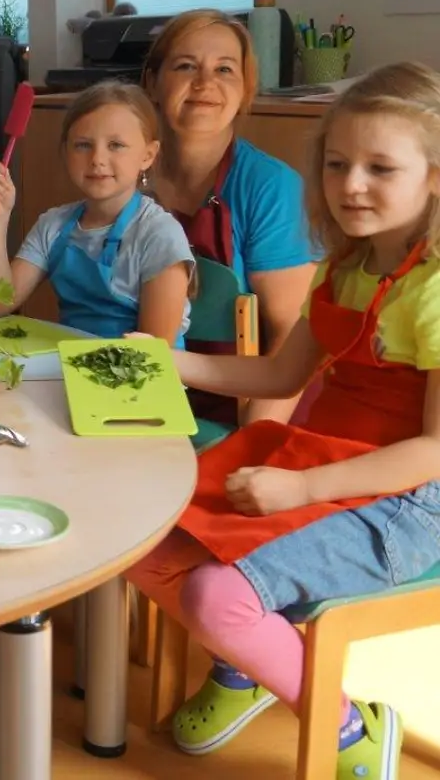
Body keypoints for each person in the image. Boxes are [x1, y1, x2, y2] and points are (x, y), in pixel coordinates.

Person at [125, 62, 440, 778]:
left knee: (213, 595)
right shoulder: (346, 268)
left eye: (380, 167)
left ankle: (346, 726)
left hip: (407, 503)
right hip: (315, 461)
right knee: (136, 541)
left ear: (435, 176)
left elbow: (434, 452)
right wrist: (171, 359)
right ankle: (249, 666)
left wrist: (300, 490)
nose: (351, 184)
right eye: (337, 164)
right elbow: (276, 375)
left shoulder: (436, 292)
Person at [143, 9, 319, 422]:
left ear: (246, 90)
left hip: (250, 408)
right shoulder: (125, 175)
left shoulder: (271, 188)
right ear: (152, 82)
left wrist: (253, 445)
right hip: (146, 397)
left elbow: (296, 339)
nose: (205, 83)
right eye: (186, 66)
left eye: (225, 69)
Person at [0, 80, 193, 344]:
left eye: (115, 145)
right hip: (72, 367)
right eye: (82, 145)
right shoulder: (53, 225)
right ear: (66, 152)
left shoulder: (160, 235)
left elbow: (154, 354)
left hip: (142, 375)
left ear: (148, 155)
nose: (97, 159)